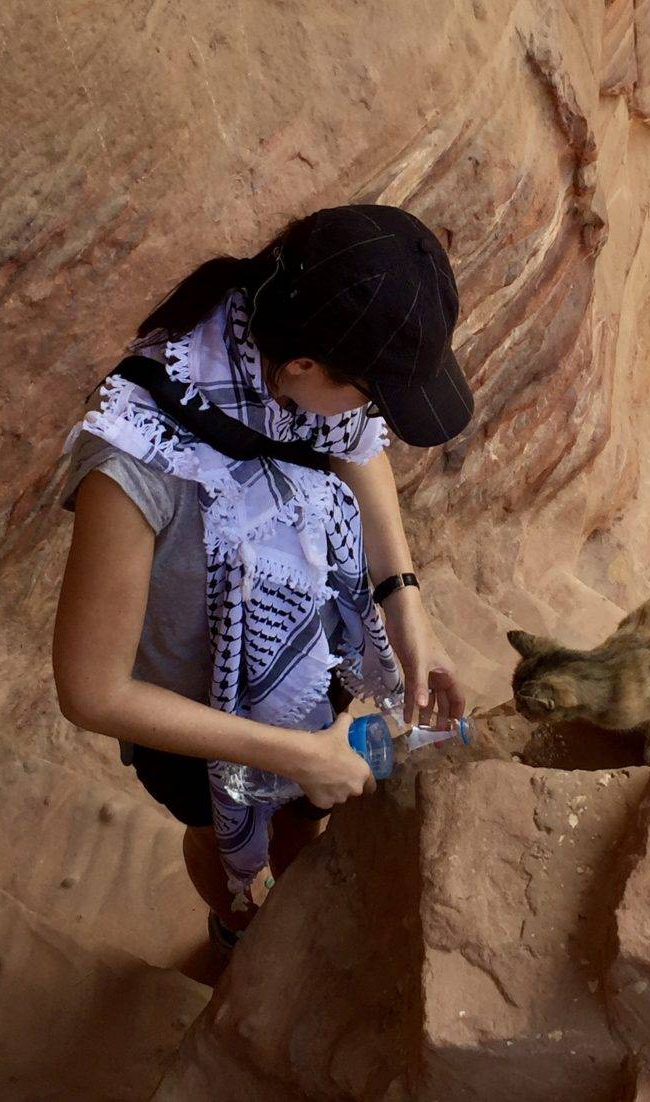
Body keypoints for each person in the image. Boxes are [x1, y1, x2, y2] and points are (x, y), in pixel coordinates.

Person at [51, 204, 472, 952]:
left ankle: (291, 881)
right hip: (192, 722)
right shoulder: (137, 461)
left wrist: (405, 603)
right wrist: (300, 757)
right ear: (306, 368)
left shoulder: (271, 331)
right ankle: (238, 934)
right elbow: (92, 691)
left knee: (304, 817)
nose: (369, 418)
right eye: (370, 392)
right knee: (223, 836)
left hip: (310, 671)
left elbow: (355, 446)